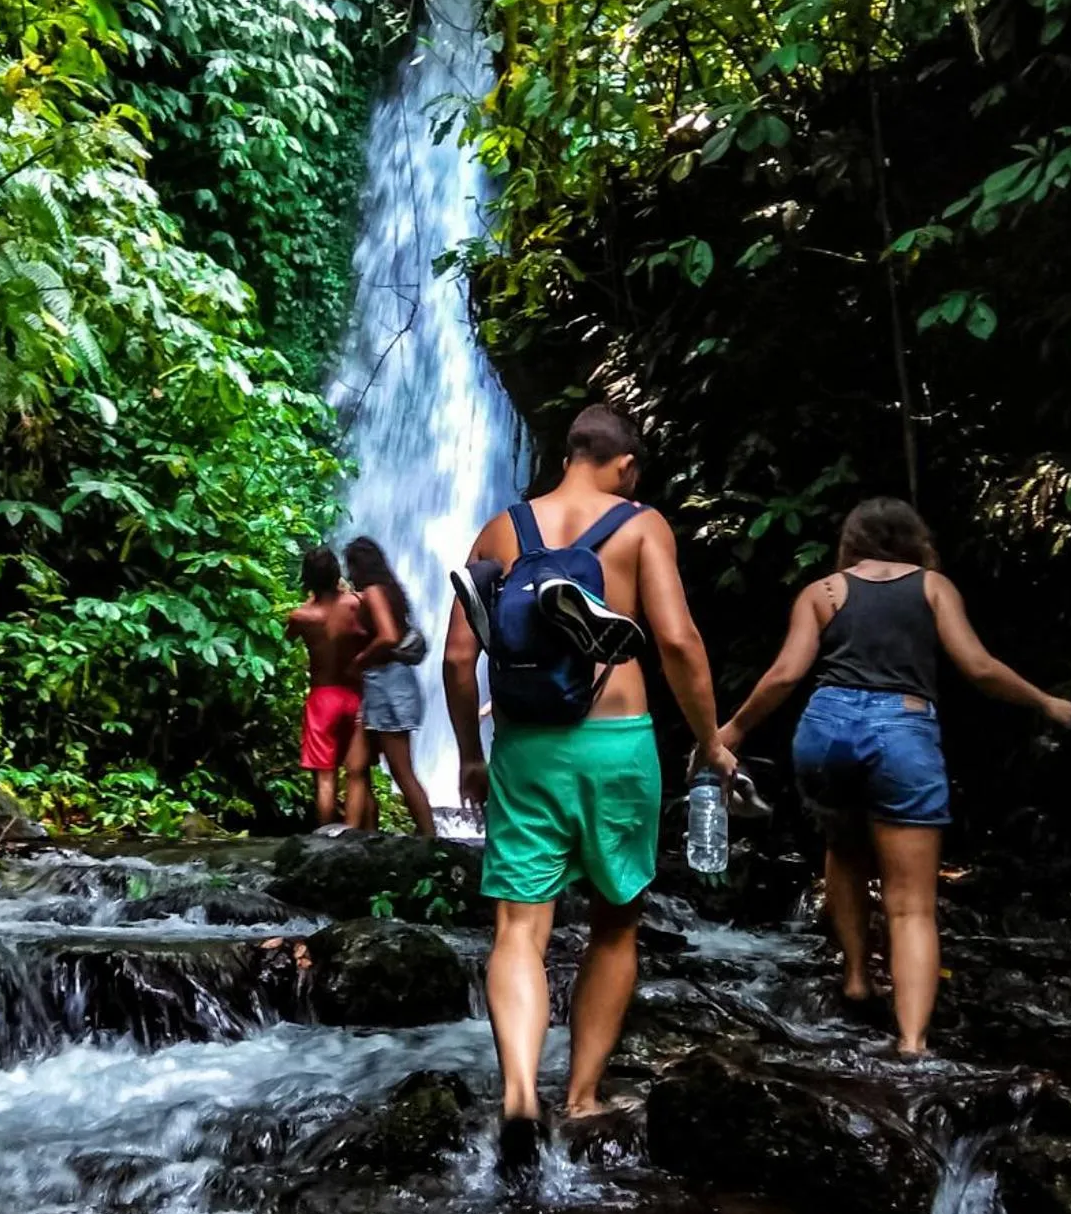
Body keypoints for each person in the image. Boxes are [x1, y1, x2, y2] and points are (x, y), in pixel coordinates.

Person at [443, 404, 736, 1163]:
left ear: (566, 453)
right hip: (616, 743)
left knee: (518, 928)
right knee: (615, 919)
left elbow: (454, 658)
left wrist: (470, 756)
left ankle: (516, 1094)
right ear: (625, 465)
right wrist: (710, 742)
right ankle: (579, 1096)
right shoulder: (641, 524)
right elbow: (673, 638)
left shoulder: (502, 529)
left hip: (526, 745)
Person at [715, 496, 1071, 1056]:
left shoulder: (823, 592)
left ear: (852, 540)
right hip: (902, 730)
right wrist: (1045, 702)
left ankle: (858, 976)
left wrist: (733, 731)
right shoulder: (933, 587)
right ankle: (911, 1042)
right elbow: (978, 667)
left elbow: (787, 673)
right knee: (910, 903)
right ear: (913, 538)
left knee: (842, 846)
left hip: (826, 727)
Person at [344, 536, 437, 838]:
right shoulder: (388, 591)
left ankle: (430, 839)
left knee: (401, 770)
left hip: (387, 684)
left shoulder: (373, 593)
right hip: (387, 684)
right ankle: (366, 834)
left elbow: (387, 636)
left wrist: (359, 659)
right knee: (360, 765)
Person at [286, 545, 372, 828]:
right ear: (336, 573)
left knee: (325, 778)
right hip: (356, 696)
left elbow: (287, 641)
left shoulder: (300, 617)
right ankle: (359, 838)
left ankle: (326, 842)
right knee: (358, 775)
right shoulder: (356, 604)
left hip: (323, 699)